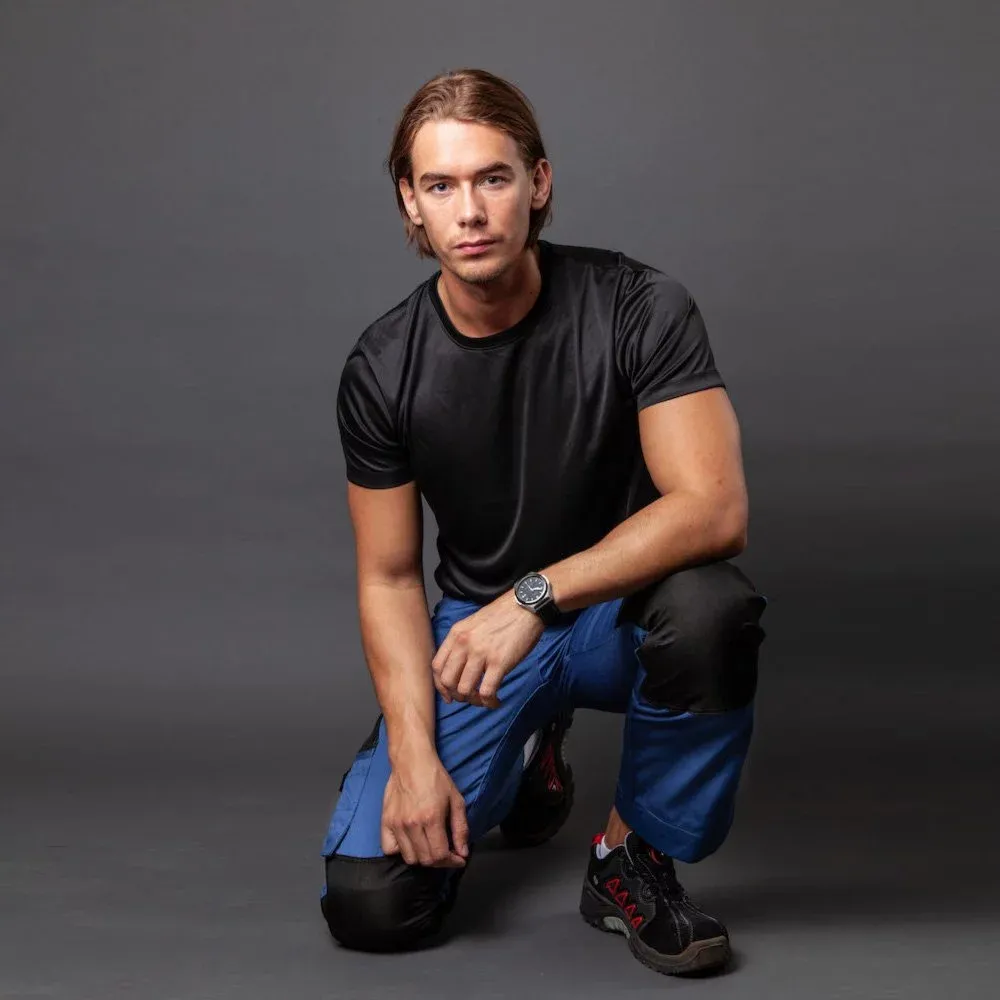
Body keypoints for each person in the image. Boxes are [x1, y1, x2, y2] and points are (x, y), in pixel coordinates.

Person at [319, 67, 767, 977]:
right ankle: (533, 760)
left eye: (493, 177)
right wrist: (414, 755)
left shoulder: (638, 307)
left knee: (712, 610)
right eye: (440, 185)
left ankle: (628, 858)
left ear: (539, 183)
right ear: (410, 202)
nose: (470, 211)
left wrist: (535, 595)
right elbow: (388, 576)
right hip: (478, 637)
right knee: (374, 903)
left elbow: (715, 509)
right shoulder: (383, 367)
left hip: (618, 613)